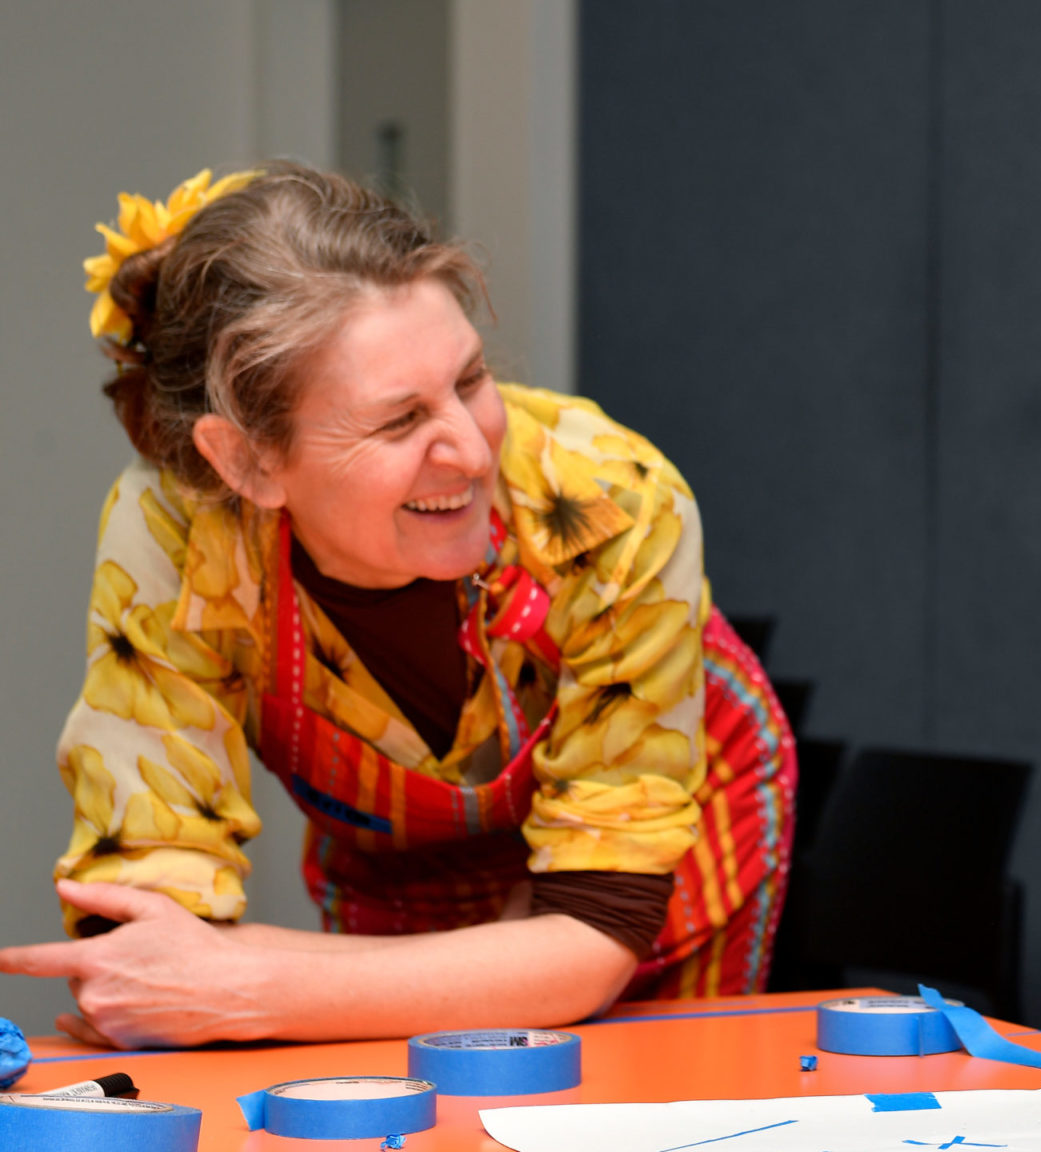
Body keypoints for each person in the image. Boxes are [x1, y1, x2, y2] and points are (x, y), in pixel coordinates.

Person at [0, 165, 795, 1049]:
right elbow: (154, 942)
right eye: (398, 421)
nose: (467, 449)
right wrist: (194, 978)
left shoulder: (611, 501)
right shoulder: (178, 527)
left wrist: (264, 980)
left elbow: (596, 932)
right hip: (404, 862)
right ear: (247, 463)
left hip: (646, 844)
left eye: (471, 380)